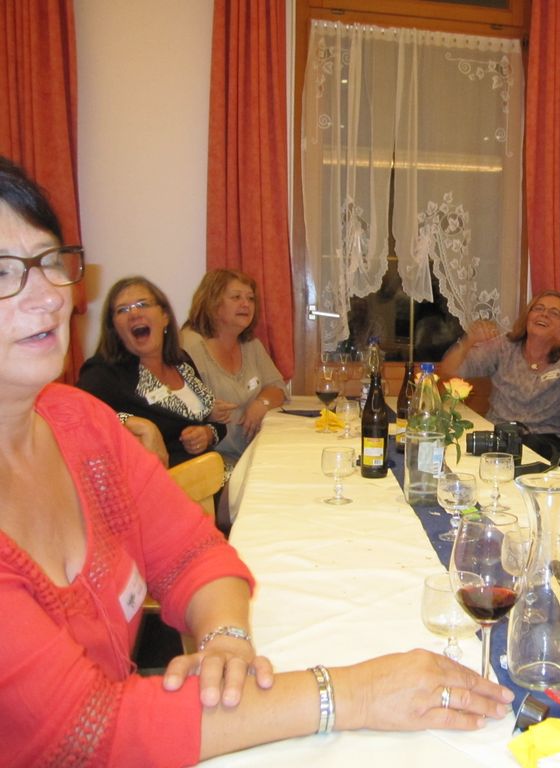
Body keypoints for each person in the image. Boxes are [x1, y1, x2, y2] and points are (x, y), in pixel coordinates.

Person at [0, 158, 513, 765]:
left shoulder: (77, 422)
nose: (47, 296)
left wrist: (225, 637)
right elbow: (86, 733)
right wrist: (353, 692)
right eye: (3, 271)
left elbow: (196, 550)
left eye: (50, 262)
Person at [436, 290, 560, 465]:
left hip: (550, 440)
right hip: (501, 435)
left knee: (523, 449)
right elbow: (450, 369)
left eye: (554, 313)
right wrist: (469, 341)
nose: (544, 315)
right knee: (459, 450)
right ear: (528, 316)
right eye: (538, 309)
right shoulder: (504, 347)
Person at [77, 276, 227, 468]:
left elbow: (213, 420)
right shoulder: (104, 371)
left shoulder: (182, 361)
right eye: (123, 310)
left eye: (143, 304)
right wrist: (133, 423)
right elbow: (76, 416)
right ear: (114, 328)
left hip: (208, 472)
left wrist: (208, 433)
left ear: (165, 316)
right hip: (160, 481)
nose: (134, 313)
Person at [181, 269, 287, 466]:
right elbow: (178, 407)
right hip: (211, 460)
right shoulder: (189, 345)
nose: (246, 304)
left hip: (252, 453)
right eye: (236, 297)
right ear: (212, 303)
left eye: (250, 298)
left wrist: (261, 403)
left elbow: (278, 389)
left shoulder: (251, 344)